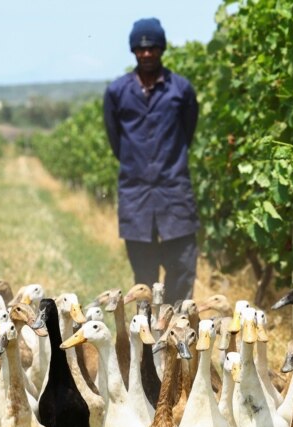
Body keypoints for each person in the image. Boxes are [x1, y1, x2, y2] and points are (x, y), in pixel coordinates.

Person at [103, 17, 199, 304]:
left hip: (174, 191)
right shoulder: (117, 92)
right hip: (136, 194)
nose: (146, 54)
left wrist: (167, 164)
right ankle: (146, 344)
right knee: (143, 276)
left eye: (152, 48)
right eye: (140, 49)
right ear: (133, 51)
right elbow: (115, 140)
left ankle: (177, 332)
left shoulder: (180, 90)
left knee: (182, 267)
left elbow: (188, 131)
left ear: (162, 49)